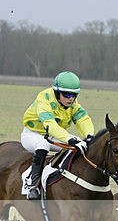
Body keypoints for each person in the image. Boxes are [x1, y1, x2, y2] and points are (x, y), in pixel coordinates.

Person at [21, 71, 94, 200]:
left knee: (80, 145)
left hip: (53, 135)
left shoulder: (73, 104)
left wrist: (89, 136)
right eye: (66, 94)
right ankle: (33, 186)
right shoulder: (44, 99)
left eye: (74, 95)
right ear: (56, 92)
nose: (71, 98)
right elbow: (50, 124)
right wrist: (68, 139)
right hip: (33, 134)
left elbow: (83, 119)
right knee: (43, 144)